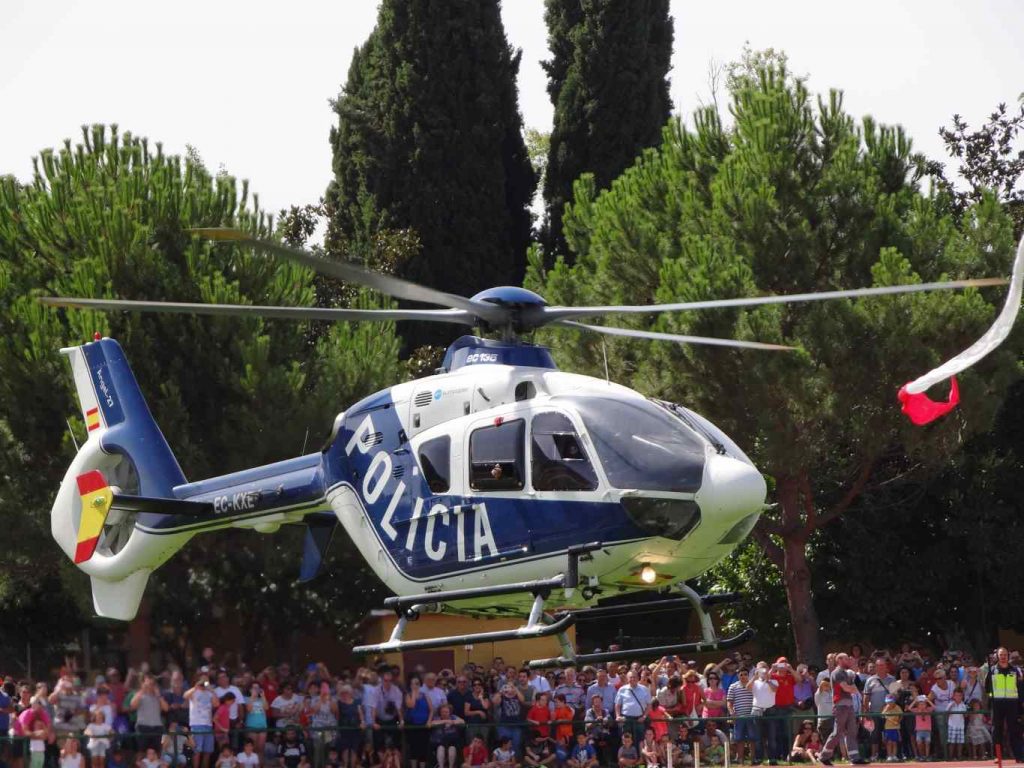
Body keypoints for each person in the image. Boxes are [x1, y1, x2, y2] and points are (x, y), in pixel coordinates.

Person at [819, 653, 866, 766]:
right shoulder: (837, 672)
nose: (849, 660)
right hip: (841, 705)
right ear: (839, 660)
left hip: (848, 705)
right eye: (846, 658)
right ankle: (824, 756)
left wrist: (852, 688)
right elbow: (847, 688)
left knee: (852, 731)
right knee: (838, 732)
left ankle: (855, 758)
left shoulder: (845, 673)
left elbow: (853, 688)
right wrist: (852, 689)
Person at [986, 647, 1023, 762]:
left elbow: (1021, 687)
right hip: (997, 704)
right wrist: (992, 698)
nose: (1003, 657)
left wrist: (1020, 702)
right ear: (997, 656)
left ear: (1008, 656)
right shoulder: (992, 670)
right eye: (1001, 655)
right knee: (997, 730)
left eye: (1005, 655)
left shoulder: (1015, 670)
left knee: (1015, 730)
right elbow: (987, 688)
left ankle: (1019, 756)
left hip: (1012, 704)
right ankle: (998, 755)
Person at [185, 674, 220, 768]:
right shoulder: (194, 691)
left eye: (206, 680)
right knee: (197, 751)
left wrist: (211, 690)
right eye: (203, 680)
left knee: (207, 751)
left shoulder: (209, 693)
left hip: (208, 725)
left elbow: (216, 704)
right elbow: (185, 696)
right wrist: (196, 687)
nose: (204, 682)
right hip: (197, 724)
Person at [748, 664, 779, 765]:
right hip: (757, 710)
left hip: (771, 710)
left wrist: (768, 680)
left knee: (772, 736)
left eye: (765, 669)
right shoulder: (755, 682)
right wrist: (754, 676)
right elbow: (747, 688)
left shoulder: (773, 681)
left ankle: (772, 758)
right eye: (761, 670)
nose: (763, 672)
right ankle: (758, 758)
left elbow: (775, 689)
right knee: (758, 737)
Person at [727, 668, 759, 765]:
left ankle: (753, 760)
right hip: (739, 717)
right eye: (741, 674)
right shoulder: (733, 686)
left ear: (748, 675)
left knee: (752, 739)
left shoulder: (753, 685)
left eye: (745, 674)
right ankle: (740, 760)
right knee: (739, 739)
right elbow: (729, 702)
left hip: (751, 716)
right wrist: (732, 713)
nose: (743, 676)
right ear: (738, 676)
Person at [614, 671, 650, 745]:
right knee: (626, 741)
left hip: (639, 719)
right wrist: (618, 716)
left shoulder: (644, 689)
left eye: (634, 677)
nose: (632, 679)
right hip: (626, 719)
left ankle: (640, 756)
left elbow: (649, 705)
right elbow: (617, 704)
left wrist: (644, 716)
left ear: (638, 678)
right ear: (627, 679)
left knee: (640, 740)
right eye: (630, 677)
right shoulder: (622, 689)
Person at [492, 682, 526, 757]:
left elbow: (523, 700)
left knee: (516, 745)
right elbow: (494, 701)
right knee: (504, 745)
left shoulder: (517, 695)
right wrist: (501, 691)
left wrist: (516, 689)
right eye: (507, 687)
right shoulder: (502, 696)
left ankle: (513, 762)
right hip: (504, 725)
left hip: (516, 725)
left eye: (511, 687)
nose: (509, 688)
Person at [428, 703, 463, 768]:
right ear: (440, 712)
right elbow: (432, 723)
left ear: (450, 712)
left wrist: (452, 722)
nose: (444, 713)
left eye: (446, 712)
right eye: (443, 712)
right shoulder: (437, 718)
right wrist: (446, 721)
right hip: (439, 743)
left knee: (452, 748)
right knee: (440, 748)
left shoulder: (453, 717)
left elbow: (462, 721)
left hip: (452, 742)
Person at [910, 694, 934, 760]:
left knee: (927, 743)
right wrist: (915, 701)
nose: (922, 706)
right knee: (919, 743)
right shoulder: (916, 710)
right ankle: (921, 756)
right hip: (919, 730)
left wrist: (928, 700)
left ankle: (927, 756)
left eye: (923, 704)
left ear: (926, 705)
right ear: (918, 705)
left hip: (927, 730)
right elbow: (909, 708)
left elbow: (934, 707)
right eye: (920, 704)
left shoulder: (928, 710)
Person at [946, 688, 967, 761]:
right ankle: (951, 757)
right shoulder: (950, 704)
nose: (958, 697)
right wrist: (951, 706)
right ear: (953, 696)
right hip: (952, 726)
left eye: (960, 696)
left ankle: (959, 756)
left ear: (962, 696)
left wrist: (965, 714)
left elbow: (965, 716)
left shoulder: (963, 705)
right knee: (952, 742)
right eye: (956, 696)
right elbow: (947, 714)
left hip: (960, 726)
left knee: (960, 743)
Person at [881, 695, 902, 762]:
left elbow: (901, 715)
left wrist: (898, 721)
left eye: (891, 702)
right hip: (888, 728)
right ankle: (889, 756)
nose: (889, 704)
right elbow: (882, 715)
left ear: (894, 702)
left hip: (895, 727)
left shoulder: (897, 707)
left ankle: (894, 755)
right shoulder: (886, 707)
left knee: (894, 742)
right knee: (889, 742)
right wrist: (886, 709)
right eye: (888, 702)